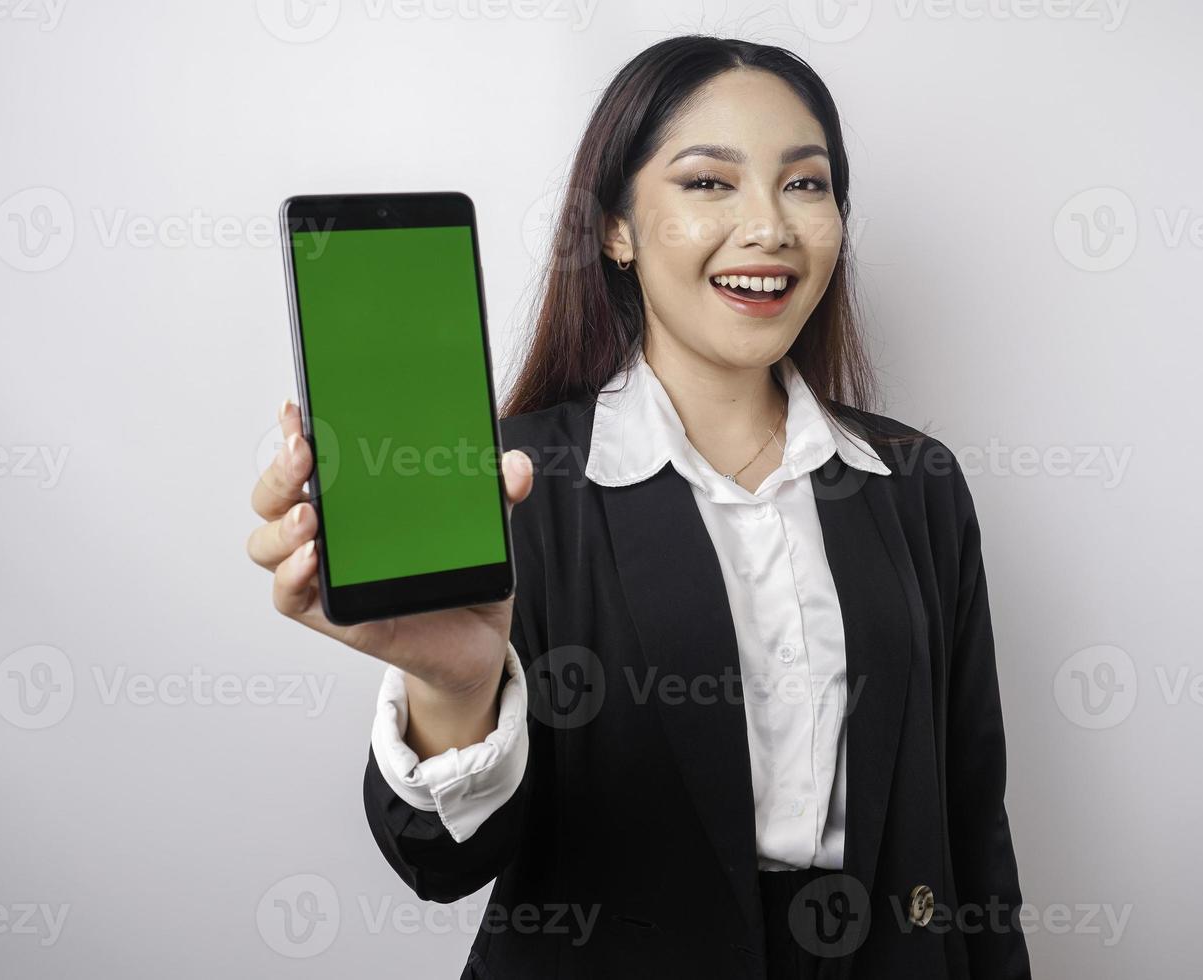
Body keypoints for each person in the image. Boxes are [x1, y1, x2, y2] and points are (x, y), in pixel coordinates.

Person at [248, 34, 1030, 980]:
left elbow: (973, 829)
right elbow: (438, 862)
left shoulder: (916, 482)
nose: (770, 228)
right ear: (615, 228)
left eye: (806, 184)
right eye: (709, 183)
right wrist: (455, 691)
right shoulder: (517, 484)